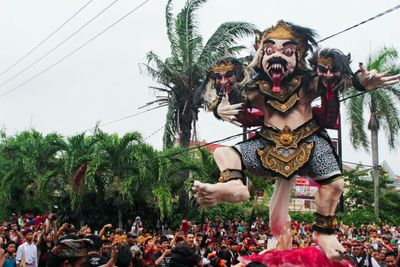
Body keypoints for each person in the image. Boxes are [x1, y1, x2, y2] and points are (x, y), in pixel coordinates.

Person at [193, 20, 400, 262]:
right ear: (260, 56)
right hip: (268, 144)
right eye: (269, 51)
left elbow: (335, 80)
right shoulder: (256, 88)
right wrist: (219, 108)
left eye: (287, 51)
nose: (277, 56)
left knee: (335, 185)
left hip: (309, 141)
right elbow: (227, 98)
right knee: (224, 154)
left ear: (297, 56)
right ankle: (233, 185)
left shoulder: (308, 81)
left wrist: (360, 82)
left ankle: (324, 232)